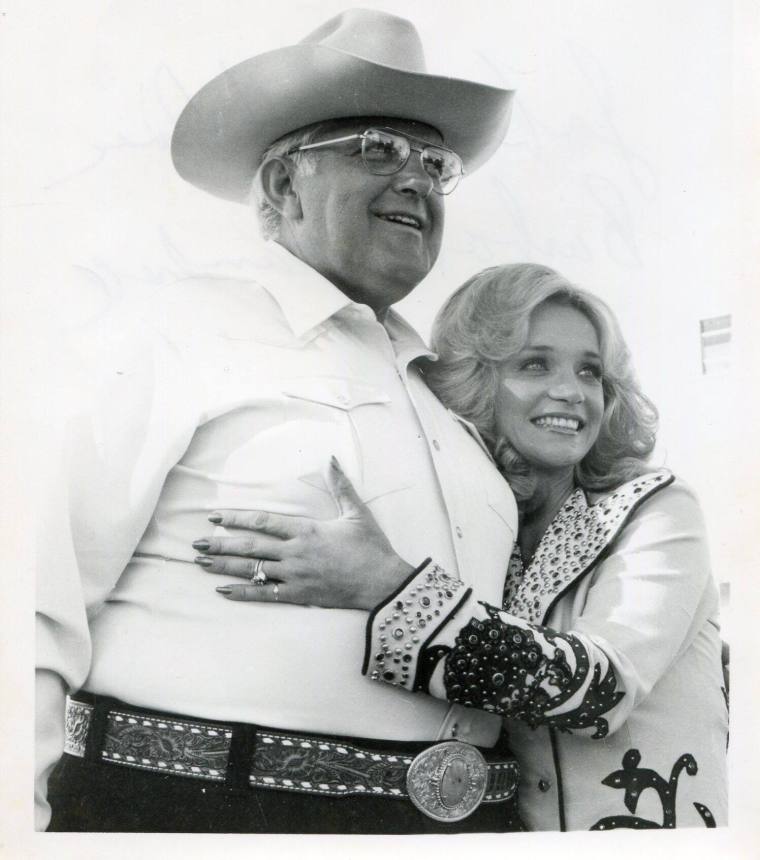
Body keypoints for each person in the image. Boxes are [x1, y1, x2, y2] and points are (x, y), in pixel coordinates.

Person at [35, 10, 525, 833]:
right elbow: (30, 599)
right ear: (282, 185)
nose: (417, 180)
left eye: (435, 163)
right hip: (203, 817)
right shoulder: (167, 331)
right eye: (377, 148)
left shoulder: (447, 397)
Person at [195, 263, 729, 831]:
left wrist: (383, 585)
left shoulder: (657, 508)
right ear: (474, 380)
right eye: (534, 364)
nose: (572, 392)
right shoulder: (474, 525)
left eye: (591, 372)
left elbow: (600, 691)